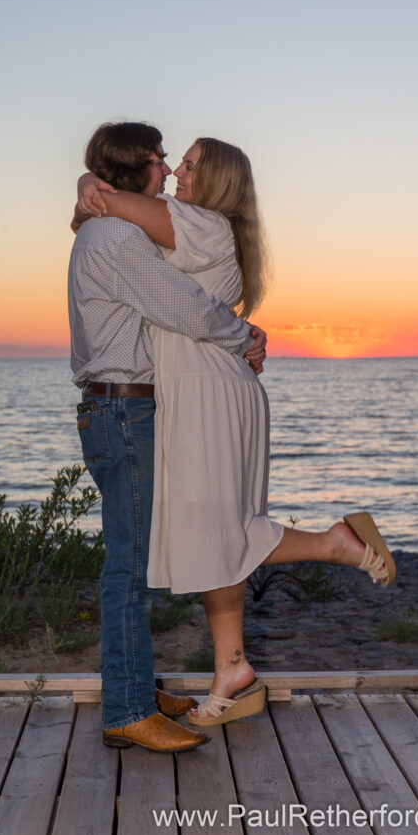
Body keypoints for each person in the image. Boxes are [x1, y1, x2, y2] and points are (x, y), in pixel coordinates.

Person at [75, 135, 396, 728]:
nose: (175, 173)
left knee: (218, 530)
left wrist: (91, 185)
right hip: (199, 386)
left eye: (191, 166)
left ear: (218, 181)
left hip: (207, 391)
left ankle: (335, 543)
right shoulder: (194, 226)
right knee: (211, 534)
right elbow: (104, 212)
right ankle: (233, 666)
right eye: (173, 163)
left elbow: (109, 205)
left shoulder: (201, 224)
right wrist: (87, 186)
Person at [68, 122, 268, 753]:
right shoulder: (120, 239)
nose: (167, 172)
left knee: (138, 559)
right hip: (124, 412)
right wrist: (244, 336)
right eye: (159, 160)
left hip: (122, 410)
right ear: (135, 171)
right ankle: (127, 708)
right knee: (129, 568)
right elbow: (183, 306)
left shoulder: (120, 231)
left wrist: (86, 188)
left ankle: (134, 687)